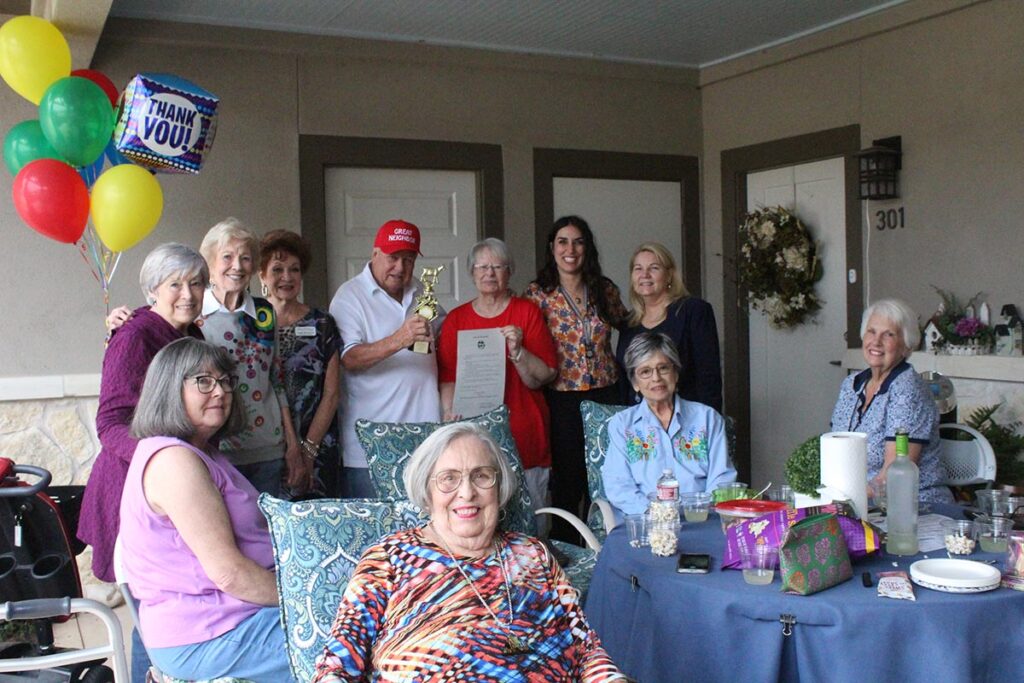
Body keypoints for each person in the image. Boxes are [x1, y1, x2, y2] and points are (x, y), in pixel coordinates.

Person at [312, 422, 624, 682]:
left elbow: (586, 649)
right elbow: (337, 666)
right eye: (449, 479)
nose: (467, 492)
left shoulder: (534, 555)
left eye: (481, 476)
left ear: (499, 488)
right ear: (427, 491)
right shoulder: (388, 558)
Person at [119, 337, 294, 681]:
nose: (220, 392)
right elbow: (229, 574)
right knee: (356, 642)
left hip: (234, 616)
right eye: (204, 381)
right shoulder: (174, 462)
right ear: (169, 389)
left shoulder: (203, 451)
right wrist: (306, 597)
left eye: (225, 381)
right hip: (210, 633)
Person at [78, 243, 207, 681]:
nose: (187, 293)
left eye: (196, 282)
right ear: (154, 288)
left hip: (175, 487)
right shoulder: (134, 335)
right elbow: (111, 423)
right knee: (149, 616)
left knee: (169, 609)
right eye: (175, 284)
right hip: (133, 489)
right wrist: (165, 461)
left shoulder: (192, 335)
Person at [524, 216, 628, 540]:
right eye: (563, 242)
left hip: (608, 394)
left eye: (578, 241)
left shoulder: (604, 289)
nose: (571, 249)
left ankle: (610, 548)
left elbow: (631, 328)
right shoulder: (538, 295)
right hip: (562, 398)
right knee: (569, 482)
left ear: (587, 247)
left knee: (606, 478)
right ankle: (570, 555)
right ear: (552, 248)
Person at [438, 238, 558, 515]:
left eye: (497, 266)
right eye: (482, 266)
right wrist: (448, 412)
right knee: (480, 518)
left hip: (524, 433)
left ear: (509, 271)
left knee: (532, 521)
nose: (489, 273)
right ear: (471, 272)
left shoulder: (526, 312)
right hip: (476, 435)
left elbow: (543, 376)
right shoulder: (456, 320)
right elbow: (448, 378)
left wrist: (519, 352)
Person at [329, 219, 444, 498]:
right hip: (370, 447)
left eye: (409, 259)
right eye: (393, 257)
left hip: (424, 441)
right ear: (375, 253)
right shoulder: (350, 296)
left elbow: (449, 341)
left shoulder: (422, 293)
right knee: (373, 537)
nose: (400, 268)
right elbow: (350, 358)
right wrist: (401, 338)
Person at [198, 217, 309, 497]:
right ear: (210, 264)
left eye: (245, 258)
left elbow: (276, 379)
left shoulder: (264, 313)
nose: (237, 266)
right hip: (216, 449)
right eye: (227, 257)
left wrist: (292, 445)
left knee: (264, 535)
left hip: (268, 449)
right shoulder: (193, 314)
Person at [830, 299, 953, 503]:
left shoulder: (908, 389)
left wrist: (841, 500)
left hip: (913, 505)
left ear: (906, 346)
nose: (876, 342)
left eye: (889, 334)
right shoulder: (852, 384)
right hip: (861, 502)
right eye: (871, 331)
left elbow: (894, 474)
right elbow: (835, 450)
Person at [603, 333, 736, 521]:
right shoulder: (622, 425)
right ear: (635, 383)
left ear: (675, 373)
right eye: (645, 372)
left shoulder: (707, 418)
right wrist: (656, 515)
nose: (656, 378)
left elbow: (722, 478)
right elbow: (618, 485)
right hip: (644, 521)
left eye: (663, 368)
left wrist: (699, 511)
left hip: (700, 519)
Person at [259, 229, 342, 497]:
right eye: (277, 269)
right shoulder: (250, 324)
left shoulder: (322, 324)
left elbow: (331, 395)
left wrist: (307, 452)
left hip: (316, 448)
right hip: (264, 449)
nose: (287, 277)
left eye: (294, 270)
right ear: (261, 275)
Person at [616, 242, 722, 412]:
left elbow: (709, 377)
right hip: (638, 425)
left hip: (687, 420)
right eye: (638, 269)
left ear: (669, 275)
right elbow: (624, 381)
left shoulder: (693, 311)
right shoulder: (629, 322)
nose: (645, 275)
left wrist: (708, 423)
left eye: (654, 268)